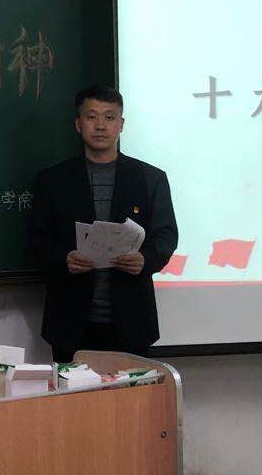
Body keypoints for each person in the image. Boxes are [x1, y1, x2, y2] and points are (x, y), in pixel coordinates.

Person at [28, 85, 178, 361]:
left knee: (130, 390)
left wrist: (145, 259)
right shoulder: (53, 181)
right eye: (91, 117)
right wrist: (64, 258)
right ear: (78, 124)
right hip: (70, 322)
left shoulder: (150, 178)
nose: (100, 126)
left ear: (121, 125)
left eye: (109, 117)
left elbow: (166, 235)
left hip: (132, 320)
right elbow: (37, 240)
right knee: (73, 391)